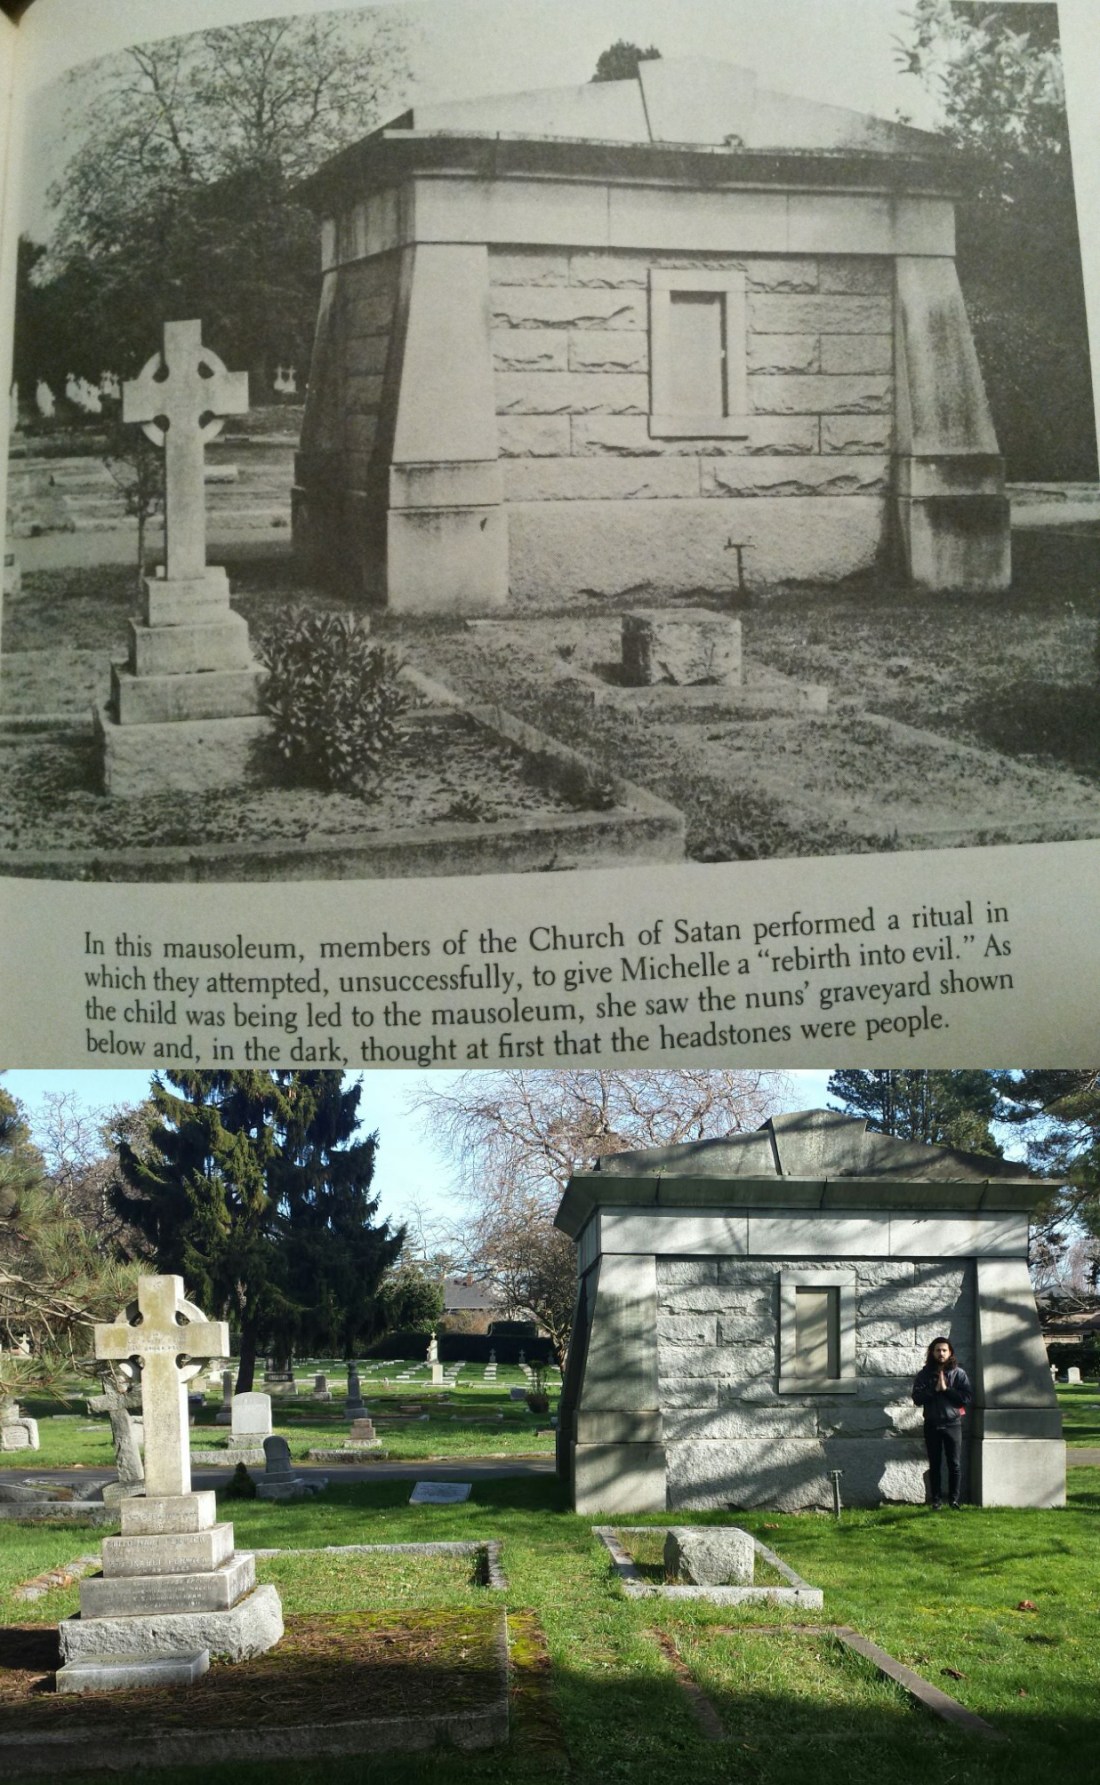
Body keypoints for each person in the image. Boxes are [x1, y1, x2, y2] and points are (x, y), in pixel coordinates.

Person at [912, 1336, 973, 1509]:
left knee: (954, 1464)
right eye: (938, 1350)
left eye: (944, 1350)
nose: (941, 1353)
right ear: (932, 1352)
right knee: (935, 1464)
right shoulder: (924, 1374)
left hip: (953, 1425)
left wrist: (947, 1390)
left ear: (950, 1352)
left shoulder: (959, 1374)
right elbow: (917, 1399)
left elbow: (966, 1398)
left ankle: (954, 1500)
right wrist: (934, 1389)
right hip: (932, 1425)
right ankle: (936, 1501)